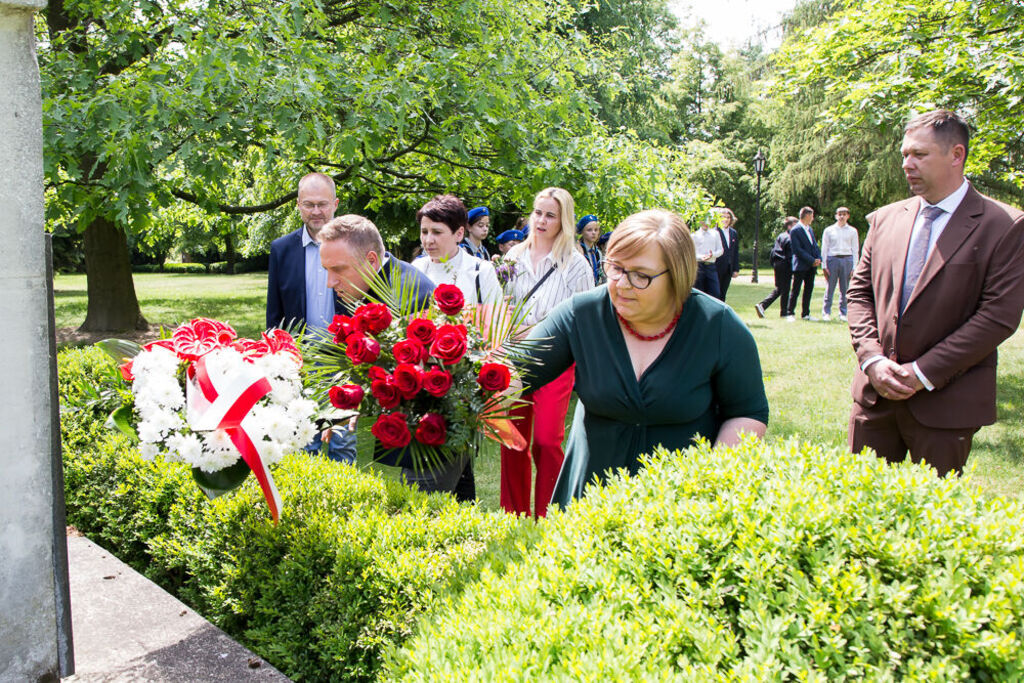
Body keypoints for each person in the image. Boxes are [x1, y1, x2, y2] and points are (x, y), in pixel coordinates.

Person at [519, 209, 768, 508]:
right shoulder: (581, 314)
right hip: (589, 506)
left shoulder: (718, 327)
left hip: (682, 508)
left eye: (640, 275)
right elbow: (515, 371)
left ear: (677, 274)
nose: (622, 283)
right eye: (615, 268)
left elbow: (747, 411)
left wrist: (710, 486)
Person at [847, 109, 1024, 477]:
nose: (907, 164)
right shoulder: (884, 219)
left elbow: (998, 317)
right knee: (859, 516)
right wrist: (873, 360)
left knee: (935, 519)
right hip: (874, 399)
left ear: (957, 154)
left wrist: (923, 373)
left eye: (919, 155)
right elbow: (860, 294)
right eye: (904, 154)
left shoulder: (1004, 225)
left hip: (946, 404)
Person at [317, 215, 453, 491]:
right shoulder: (357, 285)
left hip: (433, 433)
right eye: (326, 270)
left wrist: (359, 398)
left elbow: (411, 377)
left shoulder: (410, 294)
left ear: (371, 260)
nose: (330, 282)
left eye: (338, 270)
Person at [500, 187, 594, 517]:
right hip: (515, 359)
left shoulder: (577, 264)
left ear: (564, 220)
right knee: (511, 440)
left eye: (550, 215)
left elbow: (584, 319)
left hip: (555, 360)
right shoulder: (512, 259)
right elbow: (501, 308)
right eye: (538, 212)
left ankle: (547, 516)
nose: (541, 220)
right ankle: (513, 515)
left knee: (546, 440)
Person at [412, 195, 503, 502]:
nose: (428, 240)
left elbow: (496, 332)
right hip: (420, 388)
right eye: (424, 232)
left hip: (465, 390)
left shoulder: (480, 272)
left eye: (437, 232)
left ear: (459, 234)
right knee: (440, 472)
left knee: (454, 466)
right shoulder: (416, 268)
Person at [265, 173, 357, 463]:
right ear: (298, 205)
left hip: (344, 361)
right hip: (300, 365)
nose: (316, 211)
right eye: (309, 204)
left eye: (322, 204)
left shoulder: (355, 245)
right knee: (304, 442)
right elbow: (274, 313)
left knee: (342, 443)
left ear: (335, 204)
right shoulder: (281, 250)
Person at [820, 207, 859, 322]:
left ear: (848, 216)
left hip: (847, 259)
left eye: (844, 214)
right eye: (839, 214)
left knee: (845, 288)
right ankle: (826, 312)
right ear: (836, 216)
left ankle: (843, 312)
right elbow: (824, 248)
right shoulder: (829, 230)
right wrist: (824, 265)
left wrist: (854, 267)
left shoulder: (852, 231)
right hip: (833, 259)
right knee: (830, 287)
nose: (841, 216)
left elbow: (855, 249)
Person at [755, 216, 798, 318]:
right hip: (785, 265)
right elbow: (790, 256)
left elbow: (773, 251)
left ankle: (763, 306)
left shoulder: (781, 236)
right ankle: (781, 311)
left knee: (780, 289)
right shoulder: (791, 238)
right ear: (790, 226)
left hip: (777, 264)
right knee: (785, 289)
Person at [787, 206, 821, 320]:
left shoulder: (809, 229)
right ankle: (790, 312)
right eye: (811, 216)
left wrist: (818, 258)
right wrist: (811, 260)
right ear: (806, 216)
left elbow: (814, 246)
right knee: (796, 290)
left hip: (811, 267)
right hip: (801, 265)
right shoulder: (795, 230)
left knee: (808, 290)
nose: (813, 218)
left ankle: (806, 313)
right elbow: (797, 249)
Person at [691, 217, 723, 299]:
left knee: (715, 292)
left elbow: (720, 250)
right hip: (699, 266)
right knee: (699, 291)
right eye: (703, 221)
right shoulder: (694, 235)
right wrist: (701, 257)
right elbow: (691, 252)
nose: (705, 223)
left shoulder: (715, 234)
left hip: (711, 266)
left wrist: (713, 255)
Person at [714, 208, 740, 301]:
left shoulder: (733, 233)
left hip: (728, 268)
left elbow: (735, 252)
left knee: (723, 293)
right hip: (716, 267)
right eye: (723, 217)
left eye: (728, 217)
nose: (726, 219)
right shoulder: (714, 231)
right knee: (715, 293)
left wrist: (736, 269)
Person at [576, 213, 604, 285]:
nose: (593, 233)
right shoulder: (577, 251)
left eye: (596, 230)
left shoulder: (598, 253)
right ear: (582, 232)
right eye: (589, 230)